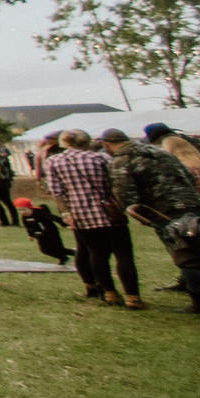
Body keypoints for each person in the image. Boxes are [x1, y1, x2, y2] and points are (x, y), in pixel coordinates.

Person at [102, 128, 200, 314]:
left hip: (165, 210)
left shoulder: (122, 159)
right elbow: (189, 176)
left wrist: (133, 211)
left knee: (185, 253)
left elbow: (124, 191)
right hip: (195, 203)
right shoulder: (160, 152)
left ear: (106, 144)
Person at [42, 130, 138, 306]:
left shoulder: (54, 161)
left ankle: (110, 292)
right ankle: (133, 296)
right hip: (110, 212)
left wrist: (66, 212)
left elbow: (57, 192)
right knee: (123, 254)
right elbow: (115, 183)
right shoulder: (102, 158)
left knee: (96, 254)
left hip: (81, 213)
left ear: (64, 142)